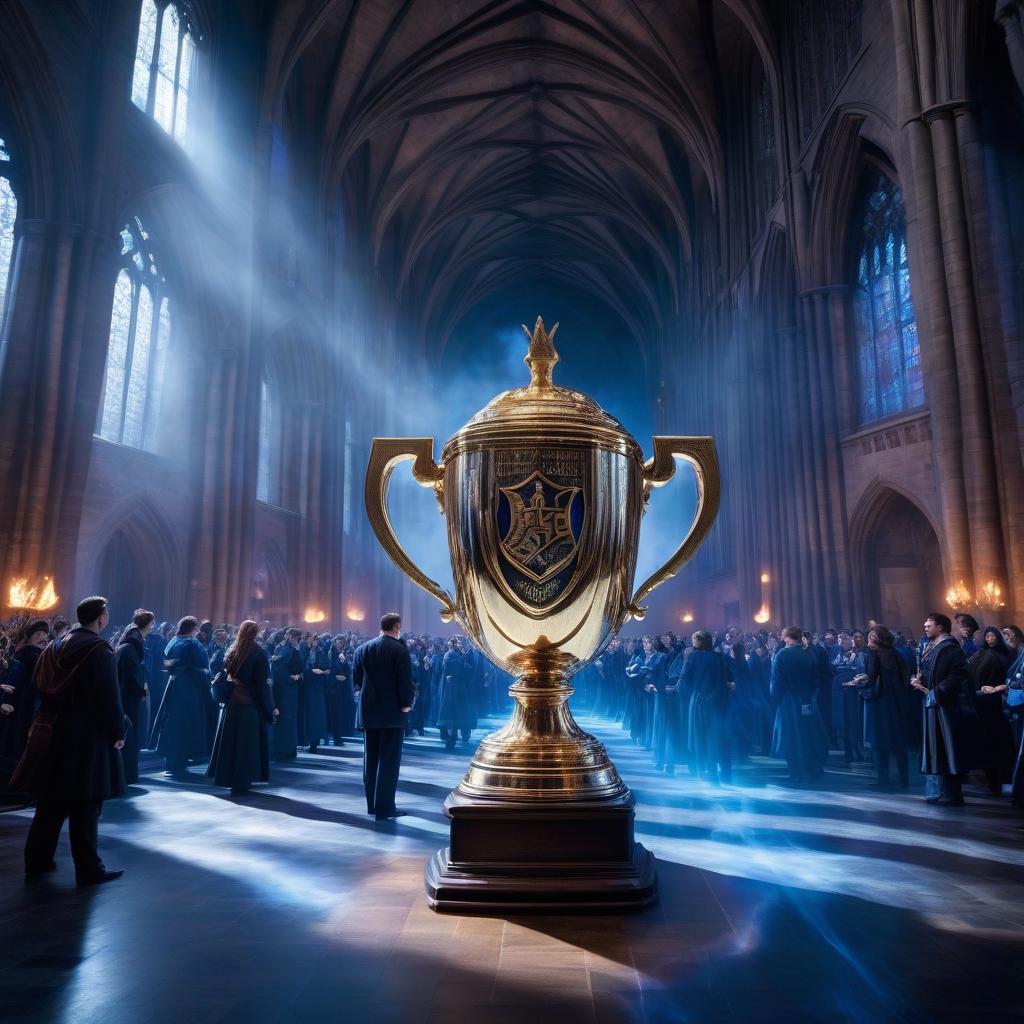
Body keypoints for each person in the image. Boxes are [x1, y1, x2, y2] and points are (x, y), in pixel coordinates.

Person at [14, 596, 126, 885]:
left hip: (55, 731)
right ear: (101, 618)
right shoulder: (100, 650)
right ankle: (89, 868)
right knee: (86, 804)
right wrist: (118, 731)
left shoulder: (54, 645)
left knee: (51, 802)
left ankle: (36, 861)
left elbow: (38, 684)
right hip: (87, 736)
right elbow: (109, 697)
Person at [910, 613, 978, 806]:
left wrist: (937, 691)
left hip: (945, 706)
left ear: (940, 627)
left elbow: (959, 673)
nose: (925, 627)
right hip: (932, 703)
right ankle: (939, 792)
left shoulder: (949, 647)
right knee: (936, 749)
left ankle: (952, 794)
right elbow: (928, 670)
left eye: (929, 625)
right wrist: (919, 681)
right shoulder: (931, 646)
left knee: (947, 749)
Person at [352, 612, 414, 821]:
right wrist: (406, 704)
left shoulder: (362, 649)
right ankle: (385, 808)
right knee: (389, 761)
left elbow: (357, 679)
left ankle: (371, 805)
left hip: (368, 712)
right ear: (396, 626)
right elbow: (405, 681)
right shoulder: (399, 650)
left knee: (370, 759)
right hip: (392, 713)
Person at [208, 620, 278, 794]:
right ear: (256, 633)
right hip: (248, 703)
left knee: (231, 742)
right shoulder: (258, 652)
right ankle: (242, 781)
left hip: (232, 701)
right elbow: (261, 685)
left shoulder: (233, 650)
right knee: (246, 744)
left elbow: (227, 673)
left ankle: (230, 777)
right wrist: (270, 708)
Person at [150, 616, 212, 777]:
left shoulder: (173, 641)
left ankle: (173, 758)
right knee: (187, 722)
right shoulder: (192, 643)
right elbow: (202, 666)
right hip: (190, 688)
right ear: (193, 628)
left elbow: (166, 662)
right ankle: (184, 757)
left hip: (173, 686)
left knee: (172, 722)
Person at [850, 625, 910, 789]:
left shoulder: (874, 654)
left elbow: (871, 679)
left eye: (871, 636)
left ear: (877, 639)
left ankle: (884, 780)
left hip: (880, 703)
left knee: (879, 741)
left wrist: (859, 683)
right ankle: (904, 779)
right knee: (898, 742)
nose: (869, 638)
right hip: (896, 702)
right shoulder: (897, 654)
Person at [770, 626, 829, 783]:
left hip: (789, 702)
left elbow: (777, 682)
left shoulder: (782, 654)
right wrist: (812, 697)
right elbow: (817, 678)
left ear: (788, 637)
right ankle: (813, 769)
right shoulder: (808, 653)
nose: (783, 639)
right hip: (808, 700)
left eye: (784, 636)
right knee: (809, 735)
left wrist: (774, 700)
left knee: (790, 736)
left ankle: (795, 772)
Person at [0, 618, 49, 785]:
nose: (42, 637)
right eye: (38, 633)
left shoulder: (34, 654)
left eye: (44, 634)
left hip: (24, 707)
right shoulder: (30, 654)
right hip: (22, 707)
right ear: (29, 637)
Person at [683, 630, 734, 784]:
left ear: (701, 641)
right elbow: (726, 678)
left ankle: (701, 770)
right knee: (714, 736)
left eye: (694, 639)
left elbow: (686, 678)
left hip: (698, 700)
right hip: (716, 701)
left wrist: (697, 690)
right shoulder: (718, 657)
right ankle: (715, 771)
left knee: (698, 735)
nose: (692, 642)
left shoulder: (692, 656)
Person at [970, 626, 1015, 795]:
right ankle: (992, 781)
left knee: (998, 742)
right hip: (981, 702)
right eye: (986, 636)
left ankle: (1001, 780)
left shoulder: (1003, 655)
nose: (989, 639)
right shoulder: (980, 654)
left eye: (991, 636)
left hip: (996, 703)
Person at [115, 609, 154, 786]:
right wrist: (142, 689)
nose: (153, 627)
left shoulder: (127, 645)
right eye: (152, 624)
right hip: (128, 699)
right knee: (129, 738)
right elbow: (133, 674)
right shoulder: (131, 648)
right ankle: (127, 775)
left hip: (126, 697)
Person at [271, 628, 304, 759]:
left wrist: (297, 676)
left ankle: (289, 749)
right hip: (283, 687)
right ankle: (282, 749)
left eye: (296, 636)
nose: (294, 638)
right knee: (284, 716)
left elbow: (300, 665)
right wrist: (290, 677)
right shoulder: (281, 647)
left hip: (290, 687)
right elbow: (278, 667)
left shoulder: (294, 648)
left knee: (290, 717)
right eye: (292, 635)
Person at [436, 637, 474, 750]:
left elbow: (467, 672)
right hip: (453, 687)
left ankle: (456, 737)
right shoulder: (452, 655)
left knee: (458, 713)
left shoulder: (463, 655)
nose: (460, 645)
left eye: (461, 643)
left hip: (460, 687)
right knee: (452, 713)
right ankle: (451, 738)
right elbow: (447, 669)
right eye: (458, 643)